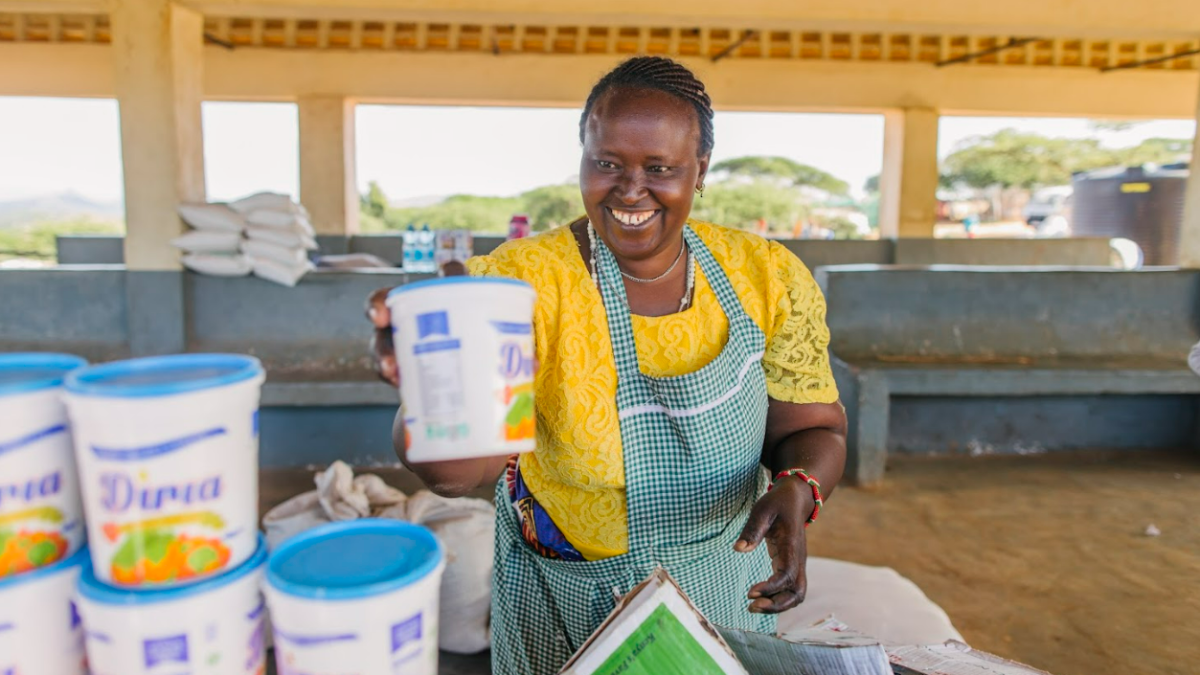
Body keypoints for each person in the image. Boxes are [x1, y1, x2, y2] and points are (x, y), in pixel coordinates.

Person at [367, 56, 847, 675]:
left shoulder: (767, 276)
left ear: (699, 172)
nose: (629, 189)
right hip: (572, 596)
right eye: (607, 163)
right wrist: (439, 401)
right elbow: (460, 474)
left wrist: (798, 488)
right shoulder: (523, 286)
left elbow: (814, 428)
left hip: (726, 582)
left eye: (660, 168)